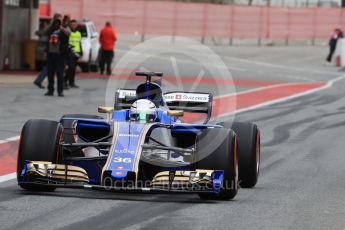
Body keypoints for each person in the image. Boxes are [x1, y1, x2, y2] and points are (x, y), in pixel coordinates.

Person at [44, 18, 70, 97]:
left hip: (60, 55)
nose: (56, 25)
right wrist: (50, 24)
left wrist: (61, 28)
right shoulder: (51, 30)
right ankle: (50, 90)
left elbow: (68, 33)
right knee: (50, 74)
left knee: (60, 74)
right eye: (55, 23)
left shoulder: (64, 30)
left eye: (58, 23)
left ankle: (60, 91)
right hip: (51, 54)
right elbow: (44, 32)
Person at [64, 19, 82, 89]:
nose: (74, 26)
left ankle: (72, 82)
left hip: (76, 53)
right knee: (71, 67)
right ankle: (64, 81)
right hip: (70, 52)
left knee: (73, 68)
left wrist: (81, 52)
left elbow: (79, 43)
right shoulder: (68, 32)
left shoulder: (78, 33)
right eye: (72, 25)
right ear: (70, 25)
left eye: (75, 25)